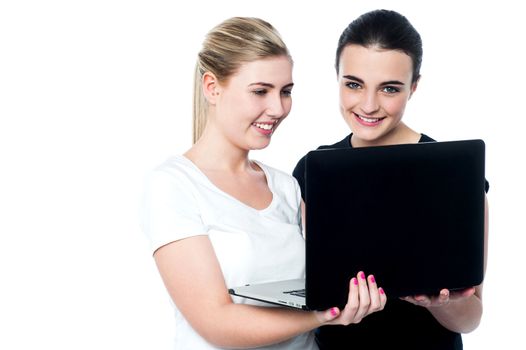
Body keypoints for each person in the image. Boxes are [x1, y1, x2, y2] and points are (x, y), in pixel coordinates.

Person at [141, 17, 387, 350]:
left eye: (285, 92)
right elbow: (216, 322)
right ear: (212, 87)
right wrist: (323, 315)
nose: (277, 108)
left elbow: (338, 271)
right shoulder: (173, 186)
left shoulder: (286, 186)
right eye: (260, 91)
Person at [292, 9, 489, 350]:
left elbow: (471, 319)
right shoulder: (315, 169)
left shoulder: (453, 174)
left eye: (389, 88)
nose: (368, 105)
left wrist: (441, 302)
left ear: (413, 87)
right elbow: (315, 292)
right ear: (337, 78)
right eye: (353, 84)